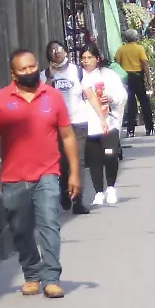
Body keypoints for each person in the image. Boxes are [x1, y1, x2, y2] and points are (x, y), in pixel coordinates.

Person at [0, 49, 79, 298]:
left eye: (32, 66)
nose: (29, 72)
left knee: (50, 224)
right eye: (22, 69)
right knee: (21, 229)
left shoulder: (53, 96)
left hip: (48, 173)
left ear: (38, 66)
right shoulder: (1, 99)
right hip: (13, 177)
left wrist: (75, 173)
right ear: (14, 74)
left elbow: (67, 136)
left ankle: (51, 278)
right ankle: (31, 273)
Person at [76, 44, 126, 205]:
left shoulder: (108, 75)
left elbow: (122, 94)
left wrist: (111, 98)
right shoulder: (78, 77)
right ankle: (98, 191)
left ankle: (111, 186)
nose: (86, 61)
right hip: (87, 124)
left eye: (90, 57)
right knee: (94, 159)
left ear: (97, 59)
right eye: (83, 58)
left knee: (110, 154)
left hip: (108, 122)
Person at [44, 41, 89, 215]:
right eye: (52, 50)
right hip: (56, 124)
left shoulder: (77, 72)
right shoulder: (44, 75)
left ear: (66, 52)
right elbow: (41, 95)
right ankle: (65, 190)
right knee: (62, 162)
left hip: (78, 121)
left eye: (59, 49)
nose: (56, 52)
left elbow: (89, 93)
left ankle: (78, 200)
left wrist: (101, 117)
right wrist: (50, 75)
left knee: (78, 160)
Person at [114, 29, 155, 137]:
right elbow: (145, 63)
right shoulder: (139, 48)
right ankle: (149, 127)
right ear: (136, 38)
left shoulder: (121, 49)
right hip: (138, 76)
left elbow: (116, 62)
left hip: (126, 77)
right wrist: (148, 78)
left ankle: (130, 130)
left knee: (131, 104)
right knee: (144, 102)